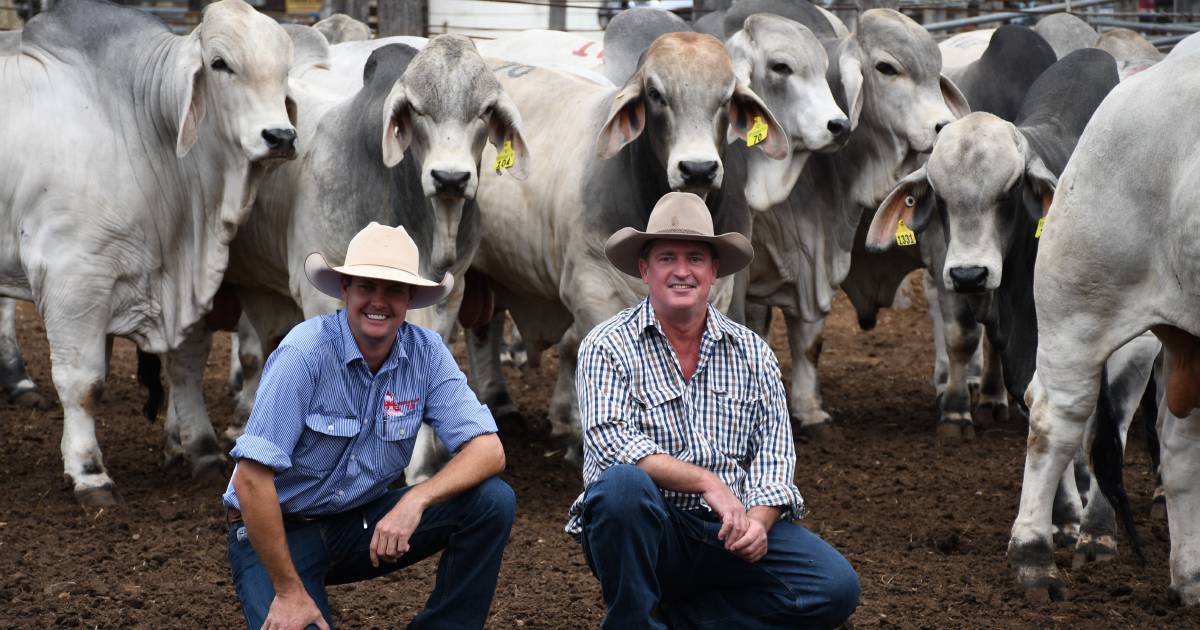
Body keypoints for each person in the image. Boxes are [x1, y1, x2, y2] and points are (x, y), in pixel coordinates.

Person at [567, 192, 860, 629]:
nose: (682, 271)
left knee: (834, 587)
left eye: (695, 259)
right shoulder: (607, 344)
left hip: (730, 530)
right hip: (653, 529)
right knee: (621, 489)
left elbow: (775, 457)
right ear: (645, 269)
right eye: (667, 258)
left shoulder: (753, 352)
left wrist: (758, 523)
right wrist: (707, 481)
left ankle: (679, 620)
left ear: (714, 271)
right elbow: (611, 444)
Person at [222, 222, 514, 630]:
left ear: (410, 297)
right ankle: (291, 590)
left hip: (357, 523)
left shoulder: (426, 352)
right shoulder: (304, 354)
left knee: (492, 500)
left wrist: (415, 501)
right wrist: (288, 591)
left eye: (394, 289)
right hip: (276, 534)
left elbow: (489, 450)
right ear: (345, 289)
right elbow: (251, 479)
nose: (379, 301)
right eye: (366, 287)